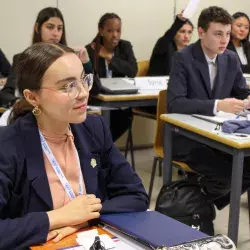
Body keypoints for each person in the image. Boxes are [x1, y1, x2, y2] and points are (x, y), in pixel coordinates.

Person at [0, 42, 148, 249]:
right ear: (33, 97)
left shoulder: (94, 129)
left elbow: (136, 196)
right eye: (67, 86)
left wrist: (83, 219)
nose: (83, 93)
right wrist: (57, 217)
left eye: (83, 80)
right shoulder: (8, 145)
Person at [167, 6, 250, 210]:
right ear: (201, 32)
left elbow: (242, 91)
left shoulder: (230, 58)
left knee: (247, 168)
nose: (224, 40)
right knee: (226, 175)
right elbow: (175, 102)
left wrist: (247, 100)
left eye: (228, 34)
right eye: (218, 34)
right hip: (188, 137)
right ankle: (194, 207)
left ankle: (203, 206)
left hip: (219, 135)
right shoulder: (183, 58)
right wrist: (217, 105)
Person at [0, 7, 91, 107]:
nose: (55, 33)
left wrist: (86, 63)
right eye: (50, 27)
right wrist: (19, 103)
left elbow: (93, 91)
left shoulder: (70, 60)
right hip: (33, 114)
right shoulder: (22, 59)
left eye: (59, 28)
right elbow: (5, 94)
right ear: (37, 28)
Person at [86, 13, 138, 142]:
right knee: (98, 124)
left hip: (119, 102)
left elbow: (132, 70)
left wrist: (110, 57)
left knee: (125, 118)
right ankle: (105, 149)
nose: (115, 35)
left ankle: (104, 148)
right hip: (97, 101)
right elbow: (90, 81)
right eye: (110, 31)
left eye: (118, 31)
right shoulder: (90, 50)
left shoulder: (125, 46)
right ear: (101, 30)